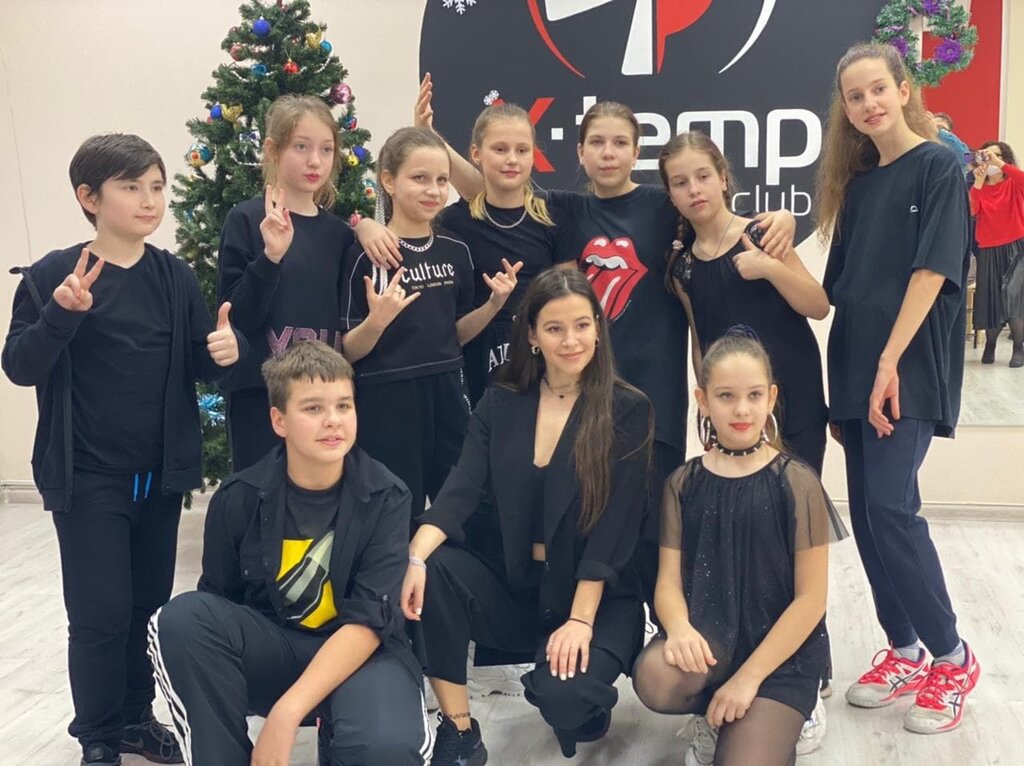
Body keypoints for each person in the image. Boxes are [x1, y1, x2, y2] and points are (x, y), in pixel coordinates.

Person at [414, 76, 797, 627]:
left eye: (620, 143)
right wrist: (437, 143)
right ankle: (598, 625)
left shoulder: (662, 206)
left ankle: (670, 629)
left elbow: (715, 212)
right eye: (597, 142)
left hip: (654, 394)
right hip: (588, 394)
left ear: (637, 152)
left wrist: (782, 218)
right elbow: (494, 188)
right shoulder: (565, 210)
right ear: (579, 152)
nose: (609, 153)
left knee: (658, 524)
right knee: (598, 520)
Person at [2, 133, 243, 766]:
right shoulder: (54, 276)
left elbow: (198, 363)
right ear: (89, 197)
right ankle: (99, 737)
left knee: (145, 608)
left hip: (158, 477)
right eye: (131, 187)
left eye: (156, 187)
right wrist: (61, 314)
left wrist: (225, 352)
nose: (149, 200)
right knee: (100, 614)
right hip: (88, 480)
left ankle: (138, 720)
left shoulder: (172, 276)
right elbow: (20, 366)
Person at [401, 268, 652, 764]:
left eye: (581, 325)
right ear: (532, 335)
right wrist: (414, 559)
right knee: (435, 570)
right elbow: (459, 491)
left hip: (592, 597)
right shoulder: (501, 401)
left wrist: (580, 620)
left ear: (598, 329)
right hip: (517, 586)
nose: (571, 340)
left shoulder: (628, 408)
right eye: (555, 328)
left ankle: (578, 697)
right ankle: (459, 730)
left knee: (566, 700)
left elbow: (614, 529)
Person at [147, 341, 431, 766]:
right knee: (182, 620)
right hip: (277, 649)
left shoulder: (386, 495)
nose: (333, 420)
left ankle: (344, 733)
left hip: (364, 656)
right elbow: (219, 604)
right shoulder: (239, 497)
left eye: (344, 406)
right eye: (313, 408)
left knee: (386, 748)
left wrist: (286, 713)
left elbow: (370, 622)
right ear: (279, 420)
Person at [817, 42, 980, 734]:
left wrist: (888, 364)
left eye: (878, 89)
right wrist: (847, 382)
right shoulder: (857, 185)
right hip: (857, 365)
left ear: (904, 89)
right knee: (867, 512)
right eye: (855, 97)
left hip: (904, 368)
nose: (868, 104)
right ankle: (906, 648)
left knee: (890, 508)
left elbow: (933, 273)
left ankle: (953, 656)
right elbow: (843, 290)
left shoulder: (939, 165)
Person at [632, 330, 846, 766]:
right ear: (703, 400)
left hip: (781, 657)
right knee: (652, 677)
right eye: (726, 396)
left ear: (771, 398)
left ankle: (795, 713)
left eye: (753, 395)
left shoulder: (797, 481)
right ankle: (716, 709)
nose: (742, 409)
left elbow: (811, 600)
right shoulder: (683, 483)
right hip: (713, 639)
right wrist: (680, 629)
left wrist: (748, 679)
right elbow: (667, 584)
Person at [340, 126, 520, 522]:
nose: (433, 190)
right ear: (389, 181)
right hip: (387, 398)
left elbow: (456, 333)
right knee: (392, 514)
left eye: (441, 180)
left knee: (462, 510)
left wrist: (493, 305)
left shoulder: (456, 249)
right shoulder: (366, 255)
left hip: (448, 391)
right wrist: (377, 322)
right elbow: (346, 351)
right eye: (420, 178)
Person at [217, 94, 395, 470]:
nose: (315, 161)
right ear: (273, 150)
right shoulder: (246, 220)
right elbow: (237, 319)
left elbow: (348, 330)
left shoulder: (339, 235)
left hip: (323, 398)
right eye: (301, 146)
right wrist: (271, 258)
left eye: (326, 149)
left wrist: (364, 226)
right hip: (261, 399)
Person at [659, 131, 830, 472]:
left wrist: (769, 268)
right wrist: (709, 406)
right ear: (671, 196)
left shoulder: (761, 233)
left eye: (703, 176)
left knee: (797, 497)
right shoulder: (683, 267)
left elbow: (818, 305)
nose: (694, 189)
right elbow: (700, 343)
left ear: (723, 178)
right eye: (680, 183)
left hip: (796, 399)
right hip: (736, 413)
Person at [969, 141, 1024, 367]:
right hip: (988, 248)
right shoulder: (979, 186)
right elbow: (972, 209)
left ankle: (1018, 347)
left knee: (1015, 297)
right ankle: (990, 345)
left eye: (997, 155)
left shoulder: (1013, 183)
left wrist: (999, 163)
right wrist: (978, 181)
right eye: (987, 155)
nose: (991, 159)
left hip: (1016, 246)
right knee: (990, 298)